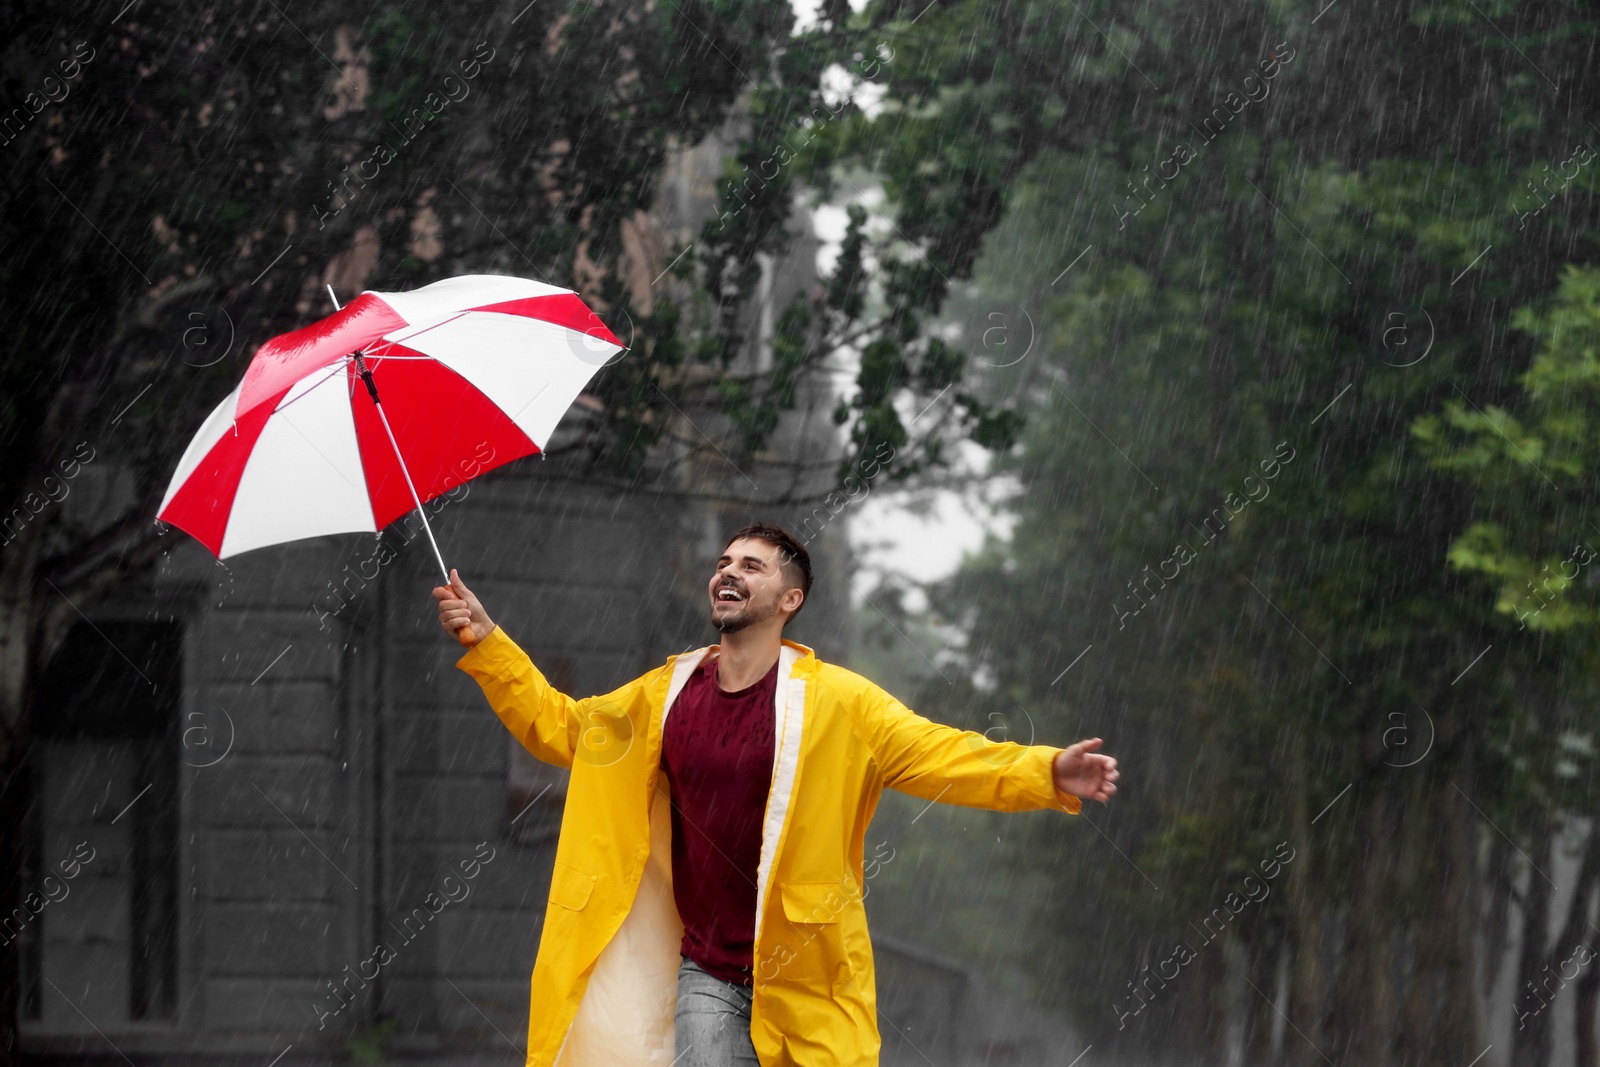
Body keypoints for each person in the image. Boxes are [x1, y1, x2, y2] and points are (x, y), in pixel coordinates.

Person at [434, 522, 1118, 1067]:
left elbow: (942, 754)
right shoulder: (661, 696)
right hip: (707, 971)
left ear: (790, 599)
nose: (729, 570)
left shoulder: (841, 704)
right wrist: (488, 641)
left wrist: (1047, 770)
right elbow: (563, 728)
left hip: (811, 977)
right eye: (725, 561)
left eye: (752, 565)